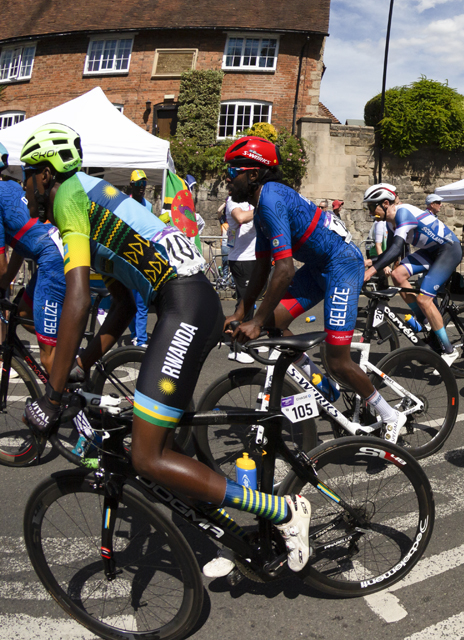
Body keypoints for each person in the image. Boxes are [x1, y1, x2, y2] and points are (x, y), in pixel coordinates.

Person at [20, 125, 313, 576]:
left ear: (45, 175)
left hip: (185, 306)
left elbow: (78, 302)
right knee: (165, 442)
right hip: (184, 303)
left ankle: (283, 511)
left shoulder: (68, 196)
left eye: (26, 176)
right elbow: (119, 302)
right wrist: (81, 363)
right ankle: (225, 535)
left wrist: (54, 395)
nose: (23, 188)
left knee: (146, 455)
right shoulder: (90, 199)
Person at [224, 140, 410, 447]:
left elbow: (283, 271)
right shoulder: (261, 209)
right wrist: (241, 314)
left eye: (233, 170)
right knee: (271, 322)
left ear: (254, 175)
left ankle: (390, 414)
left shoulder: (270, 200)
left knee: (337, 360)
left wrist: (252, 321)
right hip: (316, 267)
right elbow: (260, 270)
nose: (227, 177)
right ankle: (323, 386)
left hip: (341, 266)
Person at [361, 184, 464, 363]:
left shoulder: (403, 213)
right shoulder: (390, 222)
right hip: (431, 252)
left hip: (448, 250)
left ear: (385, 203)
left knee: (424, 299)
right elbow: (390, 253)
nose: (371, 212)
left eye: (372, 207)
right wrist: (367, 263)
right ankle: (424, 320)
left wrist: (370, 271)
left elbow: (395, 250)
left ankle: (449, 351)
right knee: (397, 275)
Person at [0, 142, 65, 371]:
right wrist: (5, 282)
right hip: (54, 251)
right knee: (25, 313)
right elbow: (20, 246)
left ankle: (68, 402)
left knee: (48, 358)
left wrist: (3, 281)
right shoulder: (11, 187)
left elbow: (1, 264)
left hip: (52, 260)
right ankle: (69, 353)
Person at [223, 193, 257, 363]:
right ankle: (236, 348)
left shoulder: (250, 201)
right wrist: (261, 209)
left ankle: (248, 341)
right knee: (244, 302)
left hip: (253, 257)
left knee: (250, 300)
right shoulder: (233, 200)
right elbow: (241, 217)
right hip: (241, 259)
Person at [126, 169, 153, 346]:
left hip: (142, 256)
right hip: (127, 258)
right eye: (138, 184)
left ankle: (141, 338)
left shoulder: (148, 205)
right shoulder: (124, 204)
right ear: (131, 186)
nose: (142, 188)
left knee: (142, 302)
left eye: (144, 184)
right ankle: (136, 333)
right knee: (129, 304)